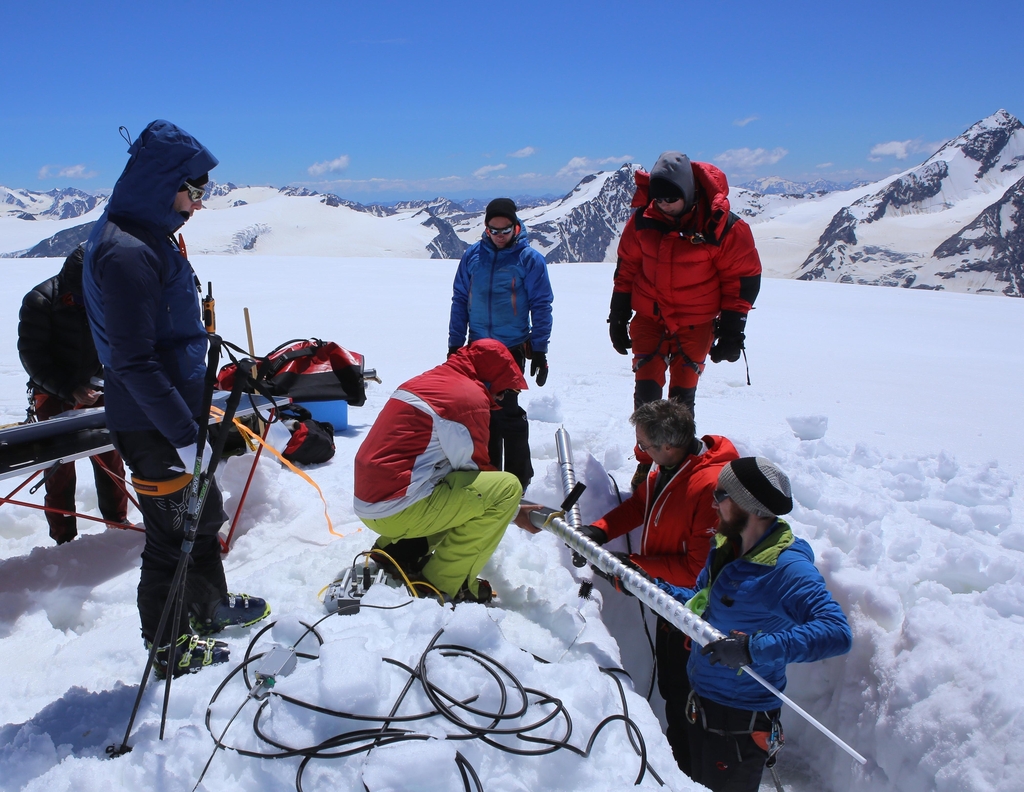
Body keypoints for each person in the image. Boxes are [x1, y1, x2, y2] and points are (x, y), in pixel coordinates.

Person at [82, 119, 268, 678]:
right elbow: (131, 360)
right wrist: (185, 437)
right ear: (164, 183)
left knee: (201, 514)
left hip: (175, 411)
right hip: (153, 422)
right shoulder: (127, 253)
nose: (198, 204)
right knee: (171, 538)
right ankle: (170, 648)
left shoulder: (147, 239)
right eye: (194, 191)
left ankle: (208, 607)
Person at [657, 458, 852, 792]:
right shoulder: (727, 547)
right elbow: (701, 603)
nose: (713, 502)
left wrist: (751, 649)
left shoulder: (786, 568)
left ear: (747, 506)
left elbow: (836, 632)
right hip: (701, 704)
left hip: (740, 725)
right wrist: (647, 584)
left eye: (720, 495)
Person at [576, 399, 738, 775]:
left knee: (686, 698)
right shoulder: (664, 467)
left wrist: (635, 569)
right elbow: (641, 507)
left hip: (695, 615)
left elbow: (699, 570)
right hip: (665, 600)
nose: (641, 453)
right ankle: (679, 764)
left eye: (644, 446)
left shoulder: (710, 488)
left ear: (669, 446)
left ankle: (691, 773)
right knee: (670, 688)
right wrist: (600, 530)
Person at [608, 151, 762, 486]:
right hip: (650, 318)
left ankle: (676, 467)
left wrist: (733, 331)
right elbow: (627, 268)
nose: (664, 205)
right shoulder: (643, 222)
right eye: (658, 198)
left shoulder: (723, 226)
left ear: (689, 193)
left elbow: (742, 279)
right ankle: (646, 462)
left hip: (695, 323)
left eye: (671, 198)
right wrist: (618, 315)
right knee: (646, 396)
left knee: (681, 399)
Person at [353, 339, 534, 603]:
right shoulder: (467, 398)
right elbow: (477, 470)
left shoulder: (432, 381)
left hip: (372, 500)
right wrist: (515, 510)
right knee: (505, 490)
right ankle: (445, 581)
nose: (502, 398)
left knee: (453, 487)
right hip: (397, 509)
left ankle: (398, 552)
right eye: (503, 390)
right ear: (490, 378)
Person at [17, 245, 130, 544]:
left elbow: (119, 341)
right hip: (53, 392)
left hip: (98, 385)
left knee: (110, 457)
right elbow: (32, 356)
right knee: (59, 469)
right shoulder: (40, 300)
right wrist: (69, 389)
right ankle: (64, 539)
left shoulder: (106, 297)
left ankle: (117, 526)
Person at [448, 198, 553, 490]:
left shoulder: (529, 259)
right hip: (477, 347)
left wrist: (540, 349)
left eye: (505, 230)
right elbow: (460, 300)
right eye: (494, 230)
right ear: (486, 228)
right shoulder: (473, 256)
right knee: (481, 412)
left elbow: (541, 305)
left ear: (515, 226)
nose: (499, 236)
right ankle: (490, 475)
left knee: (507, 411)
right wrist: (455, 344)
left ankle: (519, 478)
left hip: (511, 347)